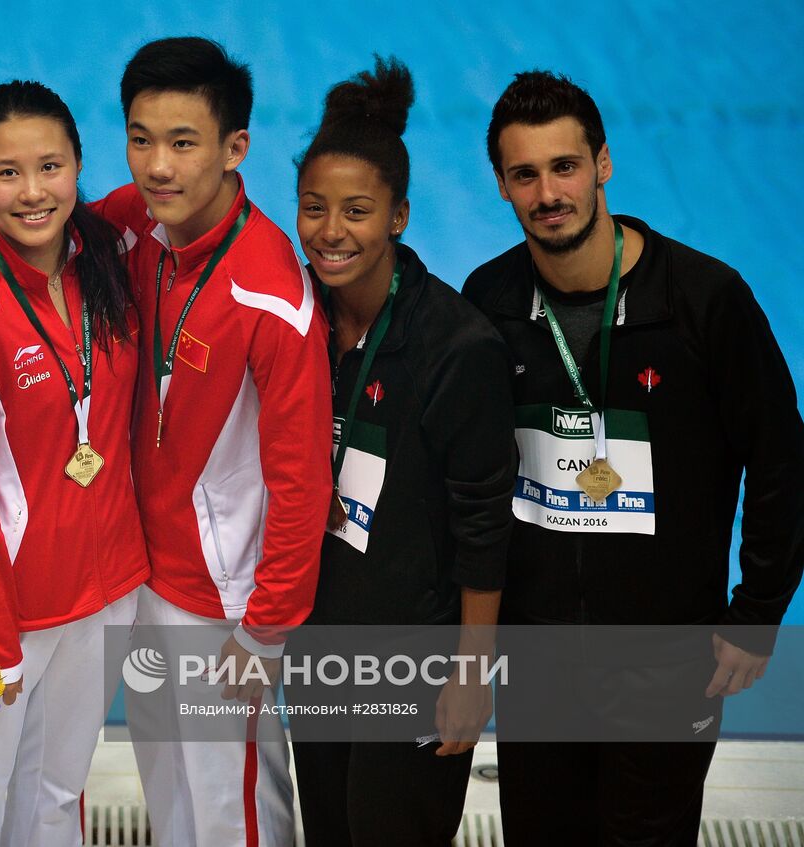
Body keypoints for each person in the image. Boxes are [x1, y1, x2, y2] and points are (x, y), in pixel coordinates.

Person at [464, 70, 804, 846]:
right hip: (538, 657)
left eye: (565, 166)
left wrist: (754, 615)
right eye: (526, 174)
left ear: (603, 164)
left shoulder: (704, 301)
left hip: (666, 662)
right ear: (502, 186)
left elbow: (783, 459)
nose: (549, 192)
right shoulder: (488, 304)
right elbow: (467, 479)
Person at [100, 37, 330, 847]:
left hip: (222, 601)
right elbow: (38, 226)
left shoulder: (272, 295)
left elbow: (302, 482)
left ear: (236, 148)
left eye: (182, 143)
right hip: (142, 572)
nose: (156, 166)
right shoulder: (136, 223)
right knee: (171, 796)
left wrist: (265, 627)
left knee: (234, 810)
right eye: (139, 138)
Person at [283, 57, 515, 847]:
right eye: (314, 208)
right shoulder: (295, 324)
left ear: (399, 216)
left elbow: (484, 522)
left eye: (356, 210)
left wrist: (471, 673)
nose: (330, 231)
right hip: (319, 644)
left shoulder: (456, 346)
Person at [0, 81, 148, 847]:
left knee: (58, 794)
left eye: (50, 166)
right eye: (6, 173)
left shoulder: (106, 254)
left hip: (102, 591)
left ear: (79, 164)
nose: (32, 192)